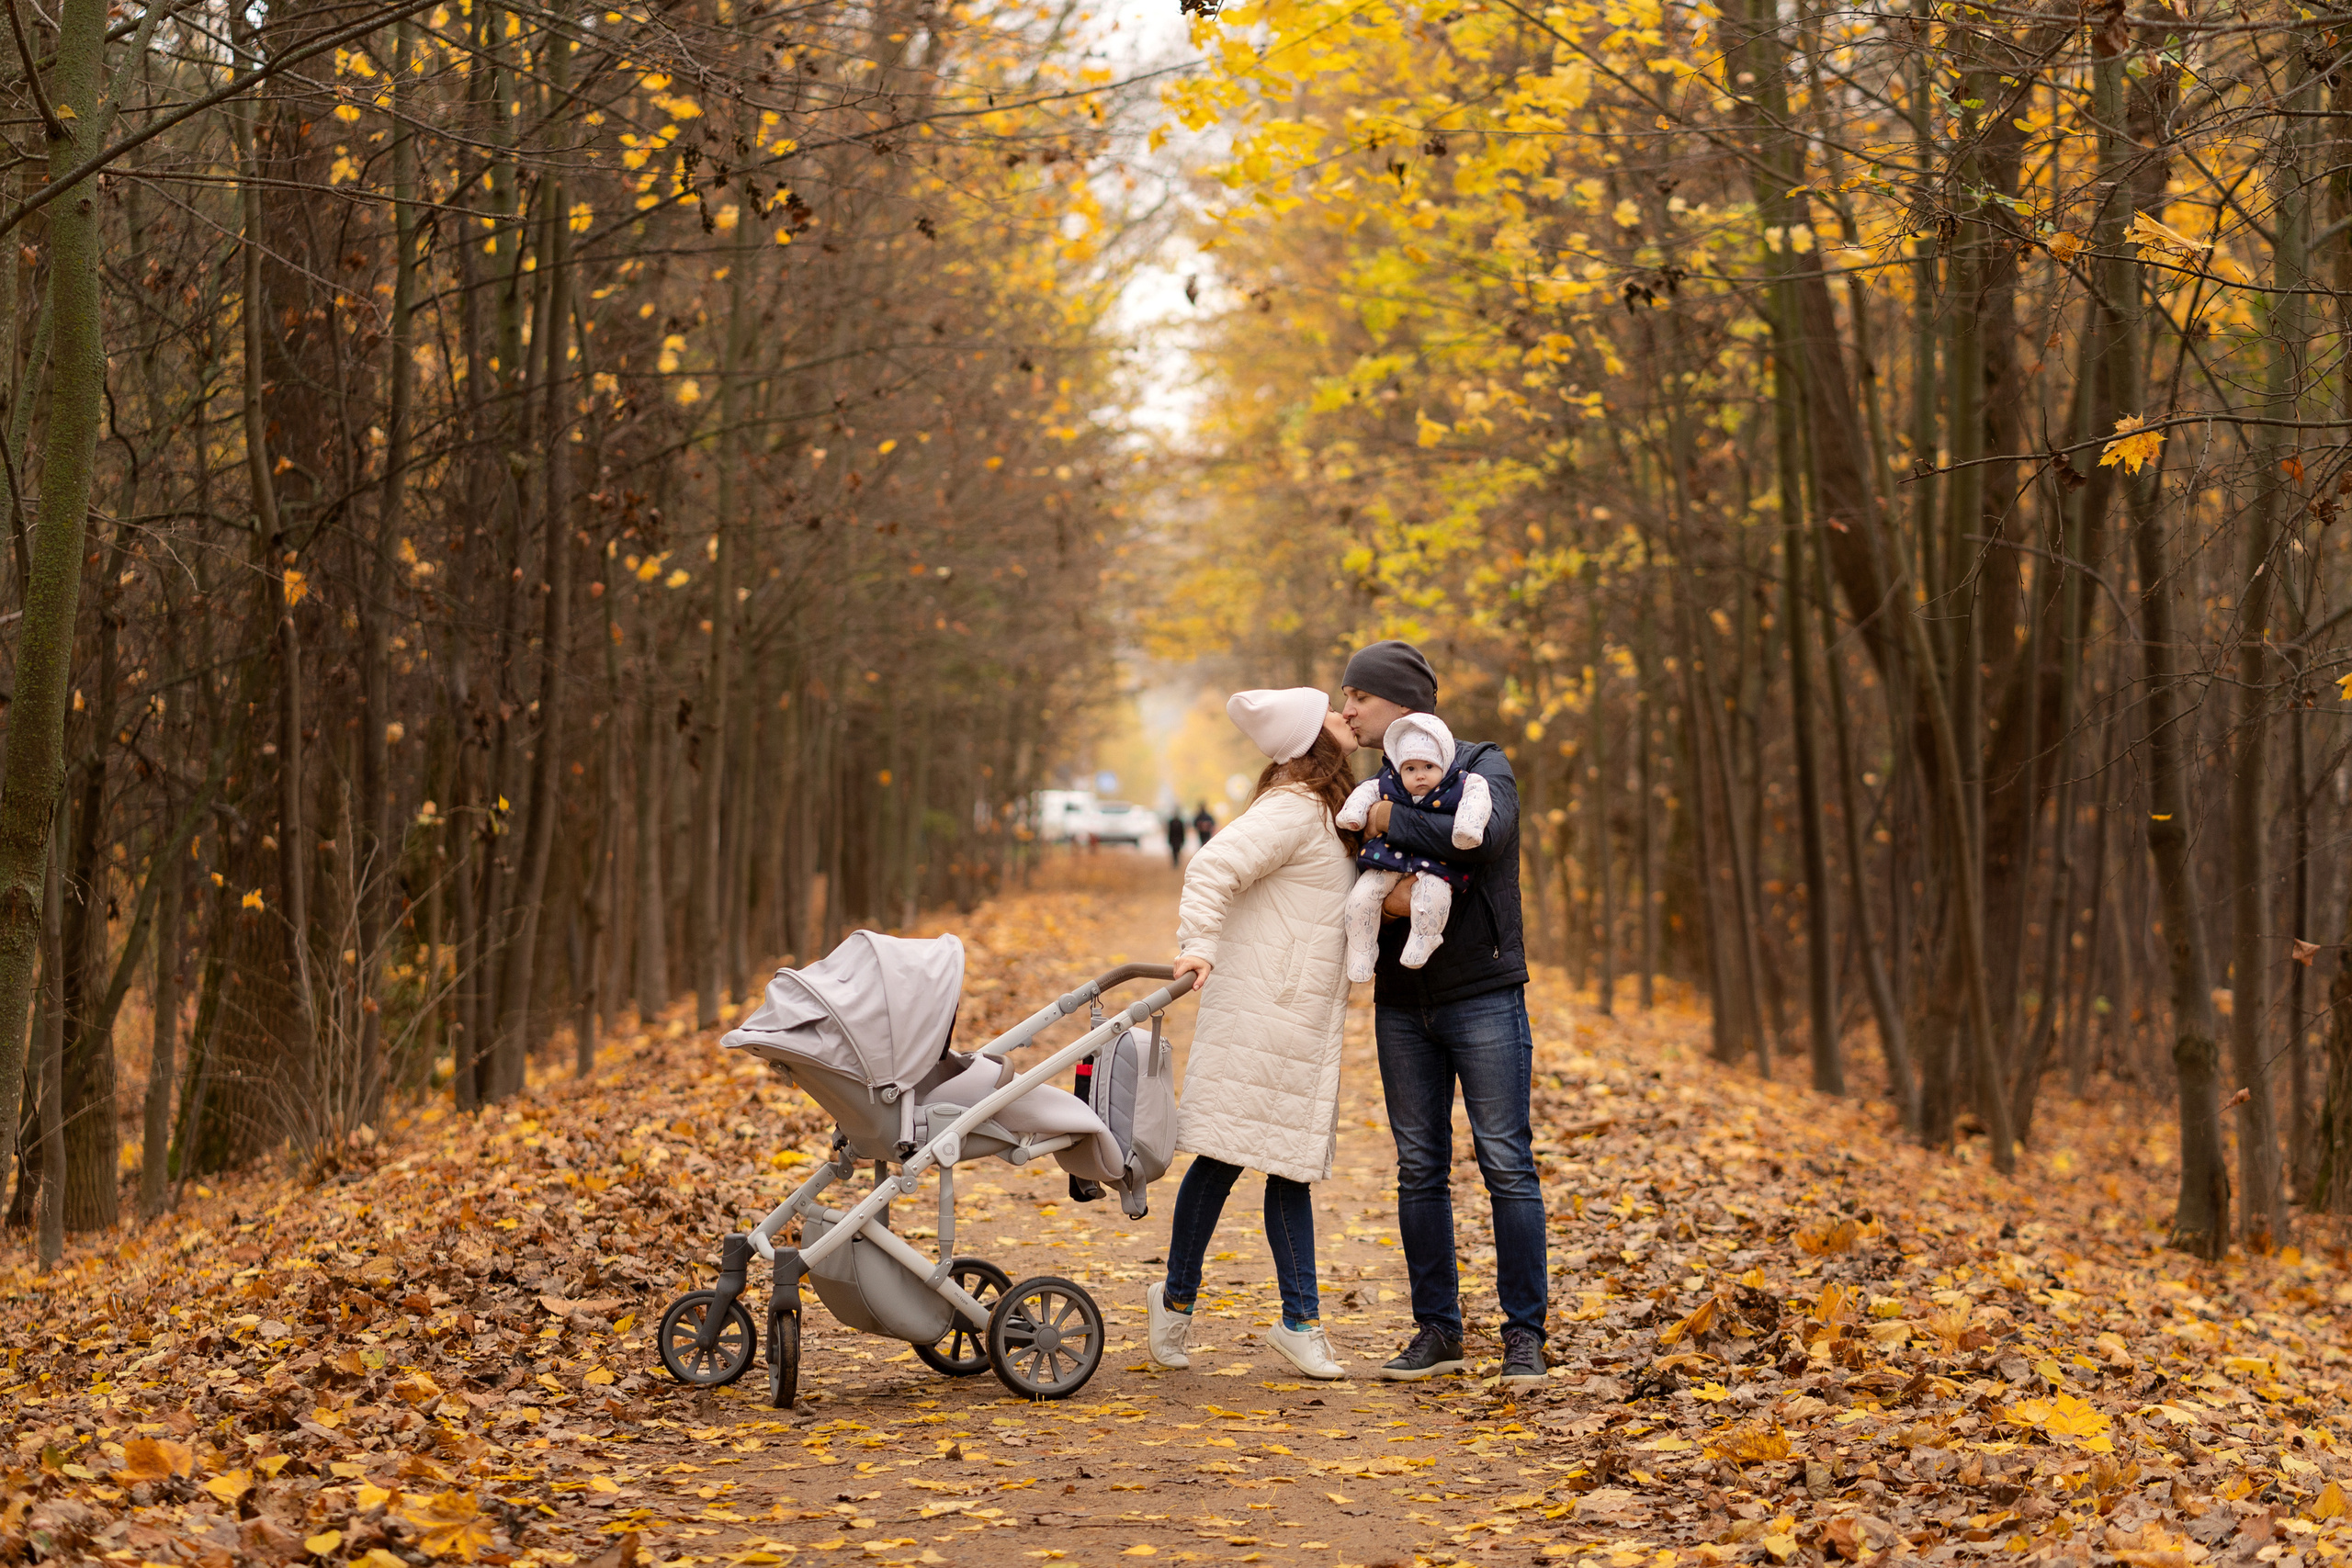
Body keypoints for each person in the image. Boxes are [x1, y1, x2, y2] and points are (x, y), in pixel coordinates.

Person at [1338, 639, 1549, 1389]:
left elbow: (1483, 838)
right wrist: (1382, 815)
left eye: (1358, 694)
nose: (1349, 708)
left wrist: (1389, 818)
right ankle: (1438, 1331)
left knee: (1505, 1164)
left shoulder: (1481, 764)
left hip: (1484, 994)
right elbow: (1343, 833)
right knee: (1419, 1168)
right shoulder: (1373, 777)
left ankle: (1525, 1335)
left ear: (1402, 702)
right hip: (1400, 1002)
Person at [1149, 688, 1361, 1382]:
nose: (1348, 716)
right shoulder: (1294, 808)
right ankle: (1295, 1322)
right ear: (1313, 737)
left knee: (1253, 1159)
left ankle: (1182, 1303)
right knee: (1255, 1158)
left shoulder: (1324, 809)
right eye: (1336, 709)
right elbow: (1213, 864)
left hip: (1291, 1013)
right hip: (1268, 1011)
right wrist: (1198, 944)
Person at [1336, 712, 1493, 980]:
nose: (1420, 776)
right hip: (1387, 861)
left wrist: (1468, 825)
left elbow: (1478, 794)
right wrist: (1355, 813)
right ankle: (1362, 949)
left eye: (1428, 767)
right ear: (1400, 768)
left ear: (1444, 763)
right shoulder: (1388, 784)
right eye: (1411, 768)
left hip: (1436, 865)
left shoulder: (1461, 783)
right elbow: (1365, 793)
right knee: (1360, 898)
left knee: (1435, 894)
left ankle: (1425, 936)